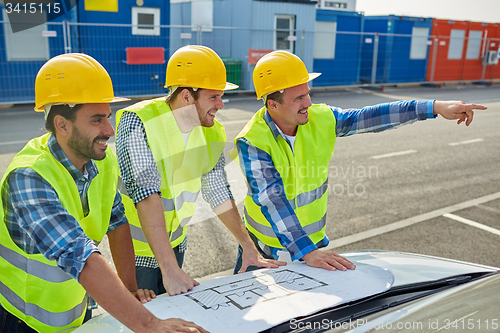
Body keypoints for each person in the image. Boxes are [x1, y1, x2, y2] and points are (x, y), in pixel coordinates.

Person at [0, 53, 207, 333]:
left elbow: (117, 223)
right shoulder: (29, 176)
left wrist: (131, 289)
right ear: (61, 124)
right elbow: (78, 254)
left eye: (108, 117)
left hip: (77, 309)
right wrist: (149, 325)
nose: (109, 130)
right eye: (97, 120)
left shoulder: (103, 162)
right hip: (25, 319)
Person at [231, 50, 487, 274]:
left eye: (307, 94)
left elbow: (371, 117)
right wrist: (306, 251)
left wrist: (434, 106)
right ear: (273, 105)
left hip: (311, 245)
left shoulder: (321, 118)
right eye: (298, 98)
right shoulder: (253, 140)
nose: (308, 103)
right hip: (265, 250)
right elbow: (271, 198)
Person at [115, 45, 285, 297]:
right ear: (186, 96)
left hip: (175, 244)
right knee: (142, 320)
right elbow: (145, 193)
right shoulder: (138, 121)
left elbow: (217, 191)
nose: (221, 105)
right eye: (213, 97)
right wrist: (169, 270)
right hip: (136, 252)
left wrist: (248, 247)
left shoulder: (212, 131)